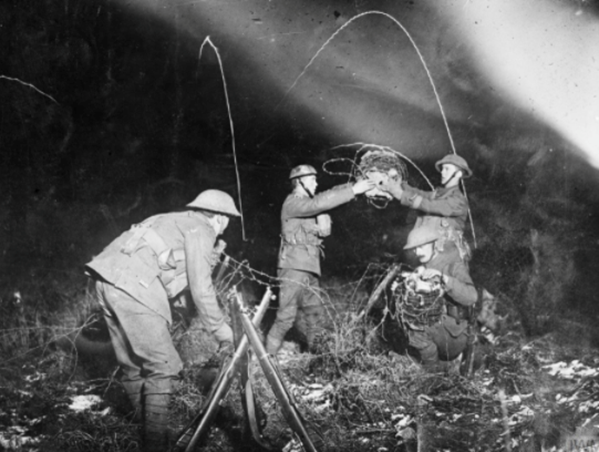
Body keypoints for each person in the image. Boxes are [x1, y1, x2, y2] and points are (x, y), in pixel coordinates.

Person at [84, 189, 240, 452]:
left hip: (106, 280)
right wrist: (223, 332)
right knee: (164, 365)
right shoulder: (201, 229)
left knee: (133, 365)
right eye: (228, 220)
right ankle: (156, 444)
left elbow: (168, 270)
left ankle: (144, 430)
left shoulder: (172, 220)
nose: (226, 226)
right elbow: (202, 291)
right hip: (133, 285)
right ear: (221, 217)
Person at [265, 164, 375, 355]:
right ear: (299, 182)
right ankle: (266, 359)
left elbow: (329, 194)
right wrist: (353, 190)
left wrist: (355, 185)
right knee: (286, 317)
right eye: (312, 180)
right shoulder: (293, 203)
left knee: (314, 314)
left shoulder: (307, 202)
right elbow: (319, 203)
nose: (316, 183)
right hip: (293, 267)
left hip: (309, 267)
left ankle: (315, 359)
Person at [396, 224, 478, 372]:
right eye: (414, 248)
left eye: (421, 247)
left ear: (434, 244)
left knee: (417, 326)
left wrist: (444, 278)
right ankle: (433, 364)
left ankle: (432, 375)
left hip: (456, 333)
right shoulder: (426, 263)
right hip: (441, 327)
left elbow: (472, 296)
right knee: (406, 314)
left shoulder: (453, 264)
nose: (417, 252)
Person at [383, 154, 472, 261]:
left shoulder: (459, 201)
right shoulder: (437, 195)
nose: (442, 172)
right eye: (442, 169)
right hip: (428, 253)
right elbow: (419, 193)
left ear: (458, 174)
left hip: (447, 259)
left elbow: (429, 205)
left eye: (447, 169)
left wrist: (401, 194)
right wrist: (398, 183)